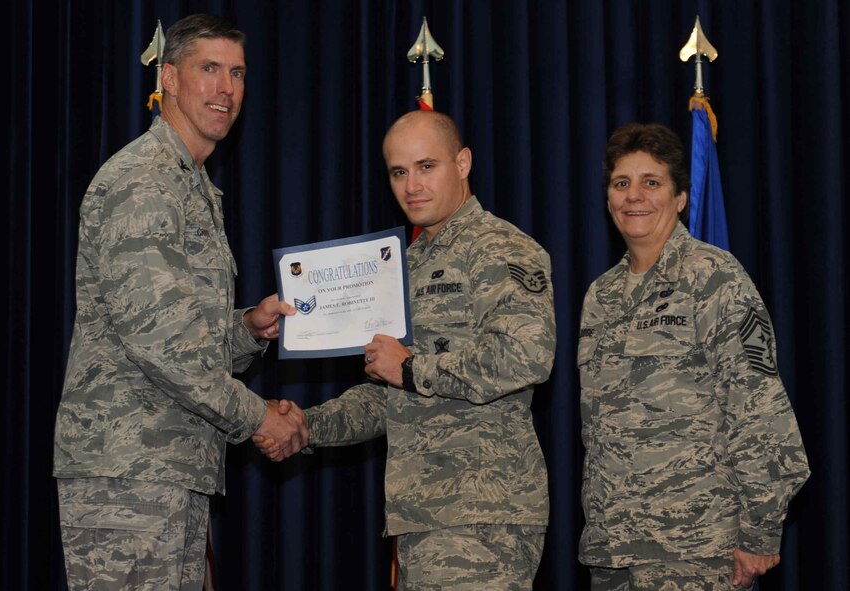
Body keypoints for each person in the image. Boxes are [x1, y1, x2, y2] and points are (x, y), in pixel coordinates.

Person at [53, 14, 308, 590]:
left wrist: (247, 328)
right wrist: (258, 417)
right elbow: (163, 345)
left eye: (237, 73)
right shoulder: (142, 181)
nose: (225, 89)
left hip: (168, 465)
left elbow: (183, 333)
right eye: (209, 69)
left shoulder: (191, 186)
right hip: (126, 472)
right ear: (168, 77)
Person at [259, 110, 556, 589]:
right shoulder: (404, 264)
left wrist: (414, 369)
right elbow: (389, 393)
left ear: (462, 163)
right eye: (399, 172)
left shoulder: (502, 248)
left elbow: (526, 356)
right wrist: (308, 427)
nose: (412, 185)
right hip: (420, 515)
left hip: (482, 512)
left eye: (426, 166)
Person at [577, 122, 810, 590]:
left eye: (651, 182)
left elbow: (760, 412)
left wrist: (759, 532)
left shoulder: (715, 278)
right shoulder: (600, 296)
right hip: (614, 552)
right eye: (621, 183)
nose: (634, 196)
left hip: (697, 550)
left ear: (680, 198)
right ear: (607, 199)